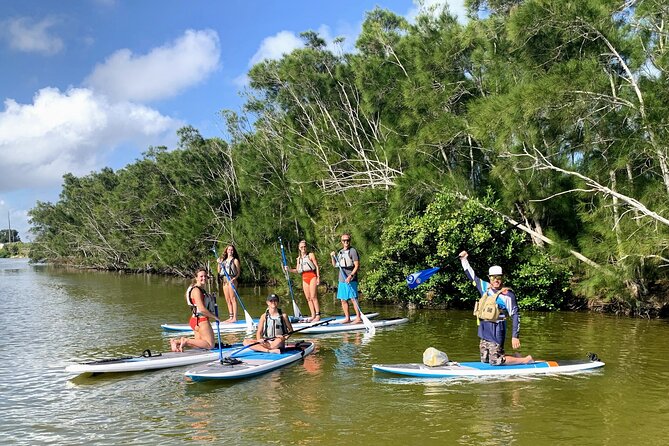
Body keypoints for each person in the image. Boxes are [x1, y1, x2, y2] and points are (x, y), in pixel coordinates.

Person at [458, 250, 533, 365]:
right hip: (483, 330)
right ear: (489, 278)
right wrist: (464, 260)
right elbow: (471, 276)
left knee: (496, 360)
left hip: (497, 329)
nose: (496, 280)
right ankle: (515, 357)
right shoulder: (484, 287)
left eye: (499, 277)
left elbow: (515, 315)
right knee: (485, 360)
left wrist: (515, 336)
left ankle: (525, 360)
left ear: (502, 278)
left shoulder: (507, 295)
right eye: (493, 278)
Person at [171, 268, 220, 352]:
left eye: (205, 276)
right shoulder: (197, 290)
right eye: (201, 276)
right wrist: (215, 317)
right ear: (196, 278)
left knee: (199, 345)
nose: (204, 278)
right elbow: (201, 309)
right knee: (210, 345)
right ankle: (186, 341)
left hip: (195, 320)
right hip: (201, 321)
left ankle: (176, 342)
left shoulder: (195, 288)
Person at [285, 239, 321, 322]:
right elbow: (297, 270)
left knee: (313, 296)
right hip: (304, 278)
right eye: (301, 247)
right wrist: (289, 269)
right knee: (308, 298)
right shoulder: (299, 258)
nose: (303, 248)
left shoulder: (311, 255)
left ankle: (318, 315)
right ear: (299, 248)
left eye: (304, 247)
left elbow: (317, 266)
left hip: (312, 276)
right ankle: (312, 315)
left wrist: (318, 277)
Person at [330, 232, 362, 324]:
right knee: (343, 299)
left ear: (350, 241)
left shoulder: (353, 251)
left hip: (351, 278)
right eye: (344, 240)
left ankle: (358, 318)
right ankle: (347, 318)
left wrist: (350, 276)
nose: (346, 242)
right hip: (342, 279)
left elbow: (356, 266)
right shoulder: (340, 252)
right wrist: (332, 257)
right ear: (341, 241)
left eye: (347, 240)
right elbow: (335, 265)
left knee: (353, 298)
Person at [217, 244, 241, 323]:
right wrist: (219, 263)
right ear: (226, 251)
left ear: (233, 251)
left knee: (233, 299)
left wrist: (234, 279)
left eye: (231, 250)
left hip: (232, 280)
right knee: (227, 299)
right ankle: (230, 317)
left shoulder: (235, 260)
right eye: (229, 249)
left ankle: (235, 317)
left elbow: (238, 273)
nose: (230, 251)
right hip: (224, 281)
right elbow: (218, 271)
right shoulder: (223, 260)